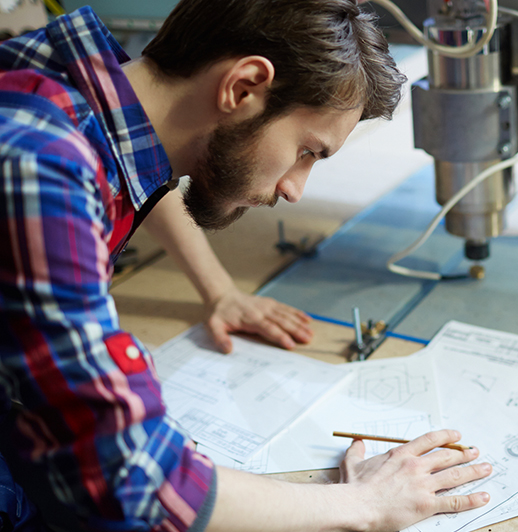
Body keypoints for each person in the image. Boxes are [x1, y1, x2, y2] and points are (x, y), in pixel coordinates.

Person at [0, 1, 493, 531]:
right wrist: (367, 506)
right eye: (307, 150)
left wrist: (218, 290)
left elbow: (135, 171)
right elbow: (136, 488)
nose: (295, 189)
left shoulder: (61, 91)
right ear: (243, 87)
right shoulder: (39, 166)